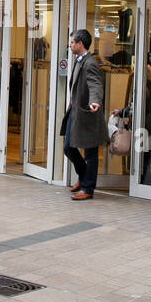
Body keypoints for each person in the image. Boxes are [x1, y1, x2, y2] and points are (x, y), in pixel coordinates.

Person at [61, 29, 106, 201]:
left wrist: (95, 101)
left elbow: (95, 84)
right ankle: (83, 175)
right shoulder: (79, 61)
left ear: (80, 44)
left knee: (90, 153)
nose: (70, 45)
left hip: (88, 114)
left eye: (72, 42)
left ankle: (88, 188)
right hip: (77, 111)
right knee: (68, 146)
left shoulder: (90, 63)